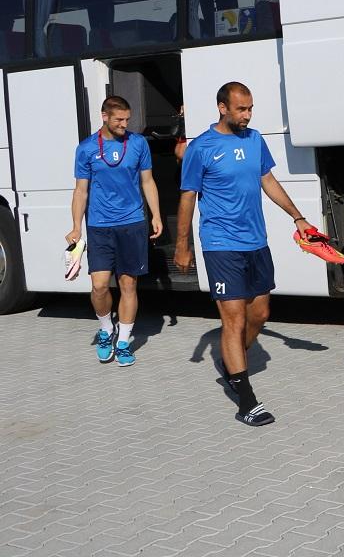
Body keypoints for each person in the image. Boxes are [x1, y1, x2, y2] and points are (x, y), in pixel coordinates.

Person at [175, 81, 317, 427]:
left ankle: (233, 356)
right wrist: (182, 245)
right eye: (241, 109)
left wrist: (298, 217)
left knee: (260, 314)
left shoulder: (254, 140)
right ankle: (246, 400)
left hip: (256, 241)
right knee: (234, 319)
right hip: (221, 243)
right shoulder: (201, 148)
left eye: (250, 108)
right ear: (222, 107)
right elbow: (187, 197)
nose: (248, 115)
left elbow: (268, 180)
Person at [67, 95, 163, 366]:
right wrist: (76, 226)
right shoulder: (86, 148)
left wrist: (156, 215)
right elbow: (81, 191)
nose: (124, 124)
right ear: (104, 117)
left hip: (132, 223)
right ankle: (106, 329)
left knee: (128, 284)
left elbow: (147, 181)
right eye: (119, 119)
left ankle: (123, 342)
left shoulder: (138, 143)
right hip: (99, 226)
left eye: (127, 119)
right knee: (99, 286)